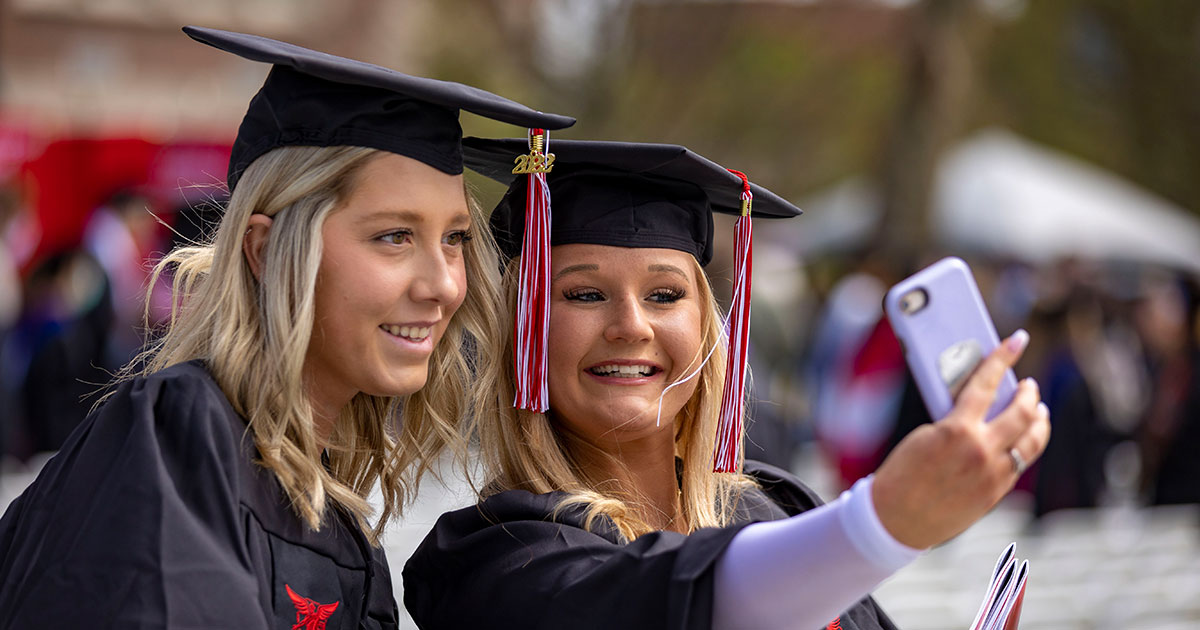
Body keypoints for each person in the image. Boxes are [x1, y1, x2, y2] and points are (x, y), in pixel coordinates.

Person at [0, 26, 573, 629]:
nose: (446, 285)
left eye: (454, 238)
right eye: (394, 236)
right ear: (268, 250)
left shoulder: (325, 506)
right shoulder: (179, 440)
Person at [403, 139, 1051, 629]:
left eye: (664, 294)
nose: (631, 326)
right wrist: (883, 523)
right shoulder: (497, 558)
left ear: (709, 327)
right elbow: (664, 605)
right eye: (585, 294)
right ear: (523, 334)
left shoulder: (775, 511)